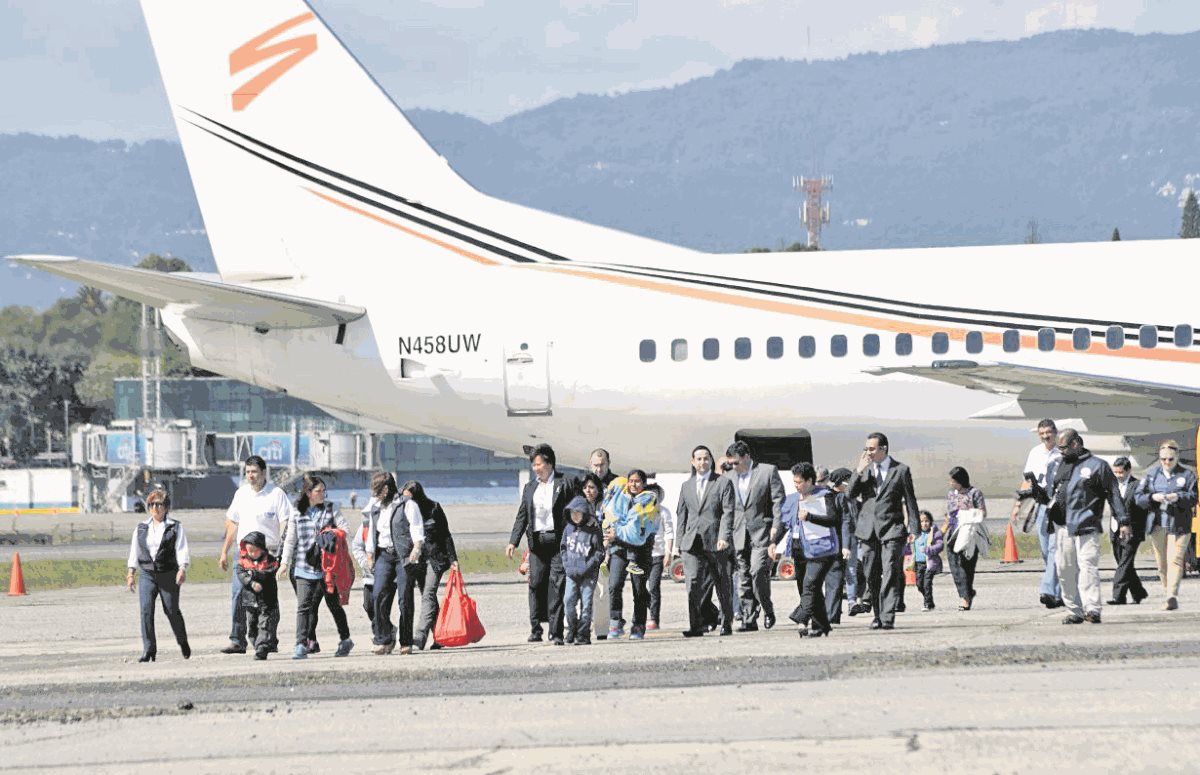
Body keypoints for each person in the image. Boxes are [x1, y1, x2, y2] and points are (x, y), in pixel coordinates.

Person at [1045, 429, 1128, 624]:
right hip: (1062, 526)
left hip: (1086, 526)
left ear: (1075, 444)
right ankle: (1075, 610)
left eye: (1063, 447)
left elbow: (1113, 494)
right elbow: (1051, 492)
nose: (1060, 452)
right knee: (1065, 570)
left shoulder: (1098, 466)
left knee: (1088, 566)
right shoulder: (1057, 465)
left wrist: (1123, 520)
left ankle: (1092, 609)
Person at [218, 455, 297, 654]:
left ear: (263, 473)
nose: (250, 476)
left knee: (266, 600)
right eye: (248, 472)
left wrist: (281, 554)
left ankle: (269, 639)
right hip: (244, 554)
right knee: (238, 594)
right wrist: (224, 552)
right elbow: (232, 524)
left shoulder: (276, 494)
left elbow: (286, 523)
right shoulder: (241, 494)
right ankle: (237, 640)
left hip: (267, 554)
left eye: (254, 472)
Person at [850, 432, 919, 631]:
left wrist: (914, 528)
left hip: (892, 529)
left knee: (889, 571)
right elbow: (850, 494)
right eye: (866, 449)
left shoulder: (901, 470)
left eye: (871, 449)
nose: (868, 453)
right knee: (872, 573)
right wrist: (858, 470)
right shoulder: (864, 470)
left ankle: (888, 616)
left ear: (883, 449)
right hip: (868, 530)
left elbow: (910, 499)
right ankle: (878, 615)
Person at [279, 475, 353, 659]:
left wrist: (332, 534)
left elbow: (345, 531)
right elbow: (290, 539)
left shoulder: (331, 509)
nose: (322, 494)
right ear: (308, 493)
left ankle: (345, 640)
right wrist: (284, 563)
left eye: (323, 491)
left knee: (333, 604)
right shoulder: (297, 511)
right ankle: (300, 645)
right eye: (318, 491)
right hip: (303, 566)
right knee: (303, 606)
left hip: (328, 568)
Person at [507, 444, 571, 644]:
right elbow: (522, 516)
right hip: (537, 544)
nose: (536, 468)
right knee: (535, 585)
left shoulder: (564, 483)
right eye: (533, 465)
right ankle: (535, 629)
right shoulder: (530, 487)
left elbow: (574, 510)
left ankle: (556, 632)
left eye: (539, 464)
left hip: (558, 543)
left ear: (550, 464)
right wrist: (513, 542)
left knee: (557, 585)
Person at [725, 440, 785, 632]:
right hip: (738, 533)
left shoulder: (767, 471)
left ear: (747, 457)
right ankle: (749, 619)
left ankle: (767, 609)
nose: (733, 467)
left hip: (762, 532)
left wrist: (776, 529)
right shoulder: (728, 478)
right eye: (731, 464)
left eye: (736, 463)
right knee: (742, 577)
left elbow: (778, 502)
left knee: (758, 571)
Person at [675, 445, 735, 638]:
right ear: (693, 462)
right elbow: (681, 514)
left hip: (716, 540)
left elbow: (728, 512)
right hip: (692, 542)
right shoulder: (686, 486)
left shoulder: (723, 483)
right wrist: (679, 541)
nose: (703, 462)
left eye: (706, 458)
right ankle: (696, 625)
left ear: (710, 461)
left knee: (722, 583)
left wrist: (724, 537)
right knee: (693, 584)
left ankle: (726, 622)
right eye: (699, 459)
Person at [783, 463, 849, 638]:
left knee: (810, 585)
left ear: (810, 481)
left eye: (799, 482)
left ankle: (802, 618)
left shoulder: (824, 496)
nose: (796, 485)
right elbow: (784, 523)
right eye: (794, 482)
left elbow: (833, 519)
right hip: (802, 548)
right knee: (812, 588)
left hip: (823, 549)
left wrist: (810, 517)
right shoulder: (793, 499)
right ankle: (822, 626)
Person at [125, 487, 190, 662]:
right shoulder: (141, 528)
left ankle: (182, 641)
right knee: (146, 610)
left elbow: (181, 549)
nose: (155, 508)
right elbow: (135, 551)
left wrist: (182, 569)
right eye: (152, 504)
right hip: (147, 574)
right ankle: (149, 649)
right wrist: (131, 573)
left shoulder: (175, 527)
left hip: (168, 573)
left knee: (171, 610)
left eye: (159, 504)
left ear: (166, 507)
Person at [365, 472, 425, 654]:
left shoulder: (407, 505)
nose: (374, 495)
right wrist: (370, 553)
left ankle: (405, 641)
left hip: (404, 556)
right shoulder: (375, 507)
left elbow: (416, 526)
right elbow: (371, 532)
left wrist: (417, 547)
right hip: (383, 555)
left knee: (404, 599)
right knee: (378, 595)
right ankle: (384, 638)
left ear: (386, 488)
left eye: (377, 491)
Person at [1134, 440, 1198, 611]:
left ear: (1177, 456)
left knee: (1175, 560)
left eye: (1170, 459)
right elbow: (1138, 497)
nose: (1167, 462)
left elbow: (1194, 497)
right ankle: (1166, 591)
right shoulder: (1152, 474)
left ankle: (1172, 595)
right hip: (1157, 524)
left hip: (1180, 524)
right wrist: (1152, 498)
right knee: (1162, 564)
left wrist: (1178, 498)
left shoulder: (1187, 475)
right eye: (1163, 459)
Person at [399, 480, 459, 651]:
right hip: (417, 559)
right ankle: (440, 637)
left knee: (428, 595)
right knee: (430, 599)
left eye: (409, 498)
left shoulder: (434, 508)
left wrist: (453, 558)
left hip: (436, 558)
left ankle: (419, 637)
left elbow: (446, 534)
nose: (406, 502)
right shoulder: (403, 511)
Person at [1011, 419, 1064, 609]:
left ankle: (1048, 590)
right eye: (1042, 433)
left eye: (1049, 432)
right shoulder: (1035, 453)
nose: (1046, 436)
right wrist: (1018, 505)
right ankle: (1058, 593)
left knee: (1053, 549)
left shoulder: (1062, 452)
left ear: (1055, 432)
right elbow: (1028, 481)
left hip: (1058, 505)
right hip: (1041, 505)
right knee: (1045, 550)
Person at [602, 469, 661, 640]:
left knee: (639, 589)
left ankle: (638, 625)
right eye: (631, 481)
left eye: (637, 481)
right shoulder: (620, 496)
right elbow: (609, 515)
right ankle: (615, 621)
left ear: (643, 484)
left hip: (640, 552)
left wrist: (617, 531)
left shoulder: (649, 499)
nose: (633, 484)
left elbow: (635, 528)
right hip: (619, 550)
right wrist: (616, 531)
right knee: (614, 585)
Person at [561, 495, 604, 645]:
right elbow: (563, 549)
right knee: (568, 601)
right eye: (573, 513)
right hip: (571, 573)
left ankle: (583, 633)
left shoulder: (593, 530)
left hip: (588, 574)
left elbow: (599, 553)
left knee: (586, 604)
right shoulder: (568, 529)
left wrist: (589, 566)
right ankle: (572, 629)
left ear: (585, 513)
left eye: (578, 513)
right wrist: (567, 565)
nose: (575, 516)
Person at [943, 466, 988, 611]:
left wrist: (967, 514)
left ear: (961, 481)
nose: (951, 483)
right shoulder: (951, 494)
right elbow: (949, 514)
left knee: (967, 566)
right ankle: (965, 596)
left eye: (953, 481)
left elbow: (982, 512)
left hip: (969, 533)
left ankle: (967, 594)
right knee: (955, 564)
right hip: (954, 532)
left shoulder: (975, 493)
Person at [1107, 457, 1147, 606]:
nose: (1118, 475)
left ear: (1129, 470)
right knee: (1123, 563)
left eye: (1121, 472)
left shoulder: (1137, 485)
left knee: (1123, 564)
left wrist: (1136, 527)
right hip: (1114, 530)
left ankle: (1118, 596)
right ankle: (1138, 592)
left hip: (1132, 531)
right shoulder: (1111, 486)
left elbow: (1144, 509)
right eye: (1115, 472)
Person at [235, 530, 280, 660]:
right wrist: (251, 582)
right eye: (249, 551)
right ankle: (259, 644)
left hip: (266, 600)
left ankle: (262, 648)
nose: (252, 553)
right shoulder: (243, 562)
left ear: (261, 548)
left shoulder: (270, 560)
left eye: (255, 550)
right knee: (252, 626)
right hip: (249, 601)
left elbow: (271, 572)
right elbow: (241, 574)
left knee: (264, 624)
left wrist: (256, 575)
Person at [576, 473, 610, 642]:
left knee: (602, 592)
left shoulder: (605, 506)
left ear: (598, 489)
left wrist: (606, 548)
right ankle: (583, 628)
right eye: (585, 487)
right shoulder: (577, 507)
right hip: (582, 554)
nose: (588, 491)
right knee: (584, 594)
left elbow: (610, 527)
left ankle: (602, 629)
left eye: (592, 487)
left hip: (602, 553)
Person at [824, 468, 858, 624]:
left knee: (849, 572)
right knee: (836, 577)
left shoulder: (850, 498)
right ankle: (835, 610)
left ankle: (849, 603)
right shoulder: (834, 497)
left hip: (848, 539)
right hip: (838, 541)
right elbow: (844, 521)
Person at [647, 483, 676, 630]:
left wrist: (668, 553)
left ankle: (654, 618)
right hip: (642, 555)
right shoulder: (640, 511)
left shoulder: (664, 512)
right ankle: (646, 610)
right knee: (639, 588)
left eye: (655, 494)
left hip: (658, 554)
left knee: (653, 586)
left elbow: (669, 533)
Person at [350, 496, 376, 627]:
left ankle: (382, 636)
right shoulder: (365, 527)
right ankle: (385, 630)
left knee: (383, 607)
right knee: (368, 605)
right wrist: (364, 562)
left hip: (389, 575)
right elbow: (356, 546)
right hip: (369, 575)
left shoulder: (392, 525)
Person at [912, 510, 943, 611]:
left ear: (930, 522)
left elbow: (940, 545)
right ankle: (930, 601)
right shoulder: (916, 533)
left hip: (930, 564)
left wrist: (928, 550)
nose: (924, 524)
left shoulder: (934, 532)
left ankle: (928, 604)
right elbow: (910, 547)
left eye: (926, 521)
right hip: (918, 564)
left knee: (926, 584)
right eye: (921, 521)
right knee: (919, 585)